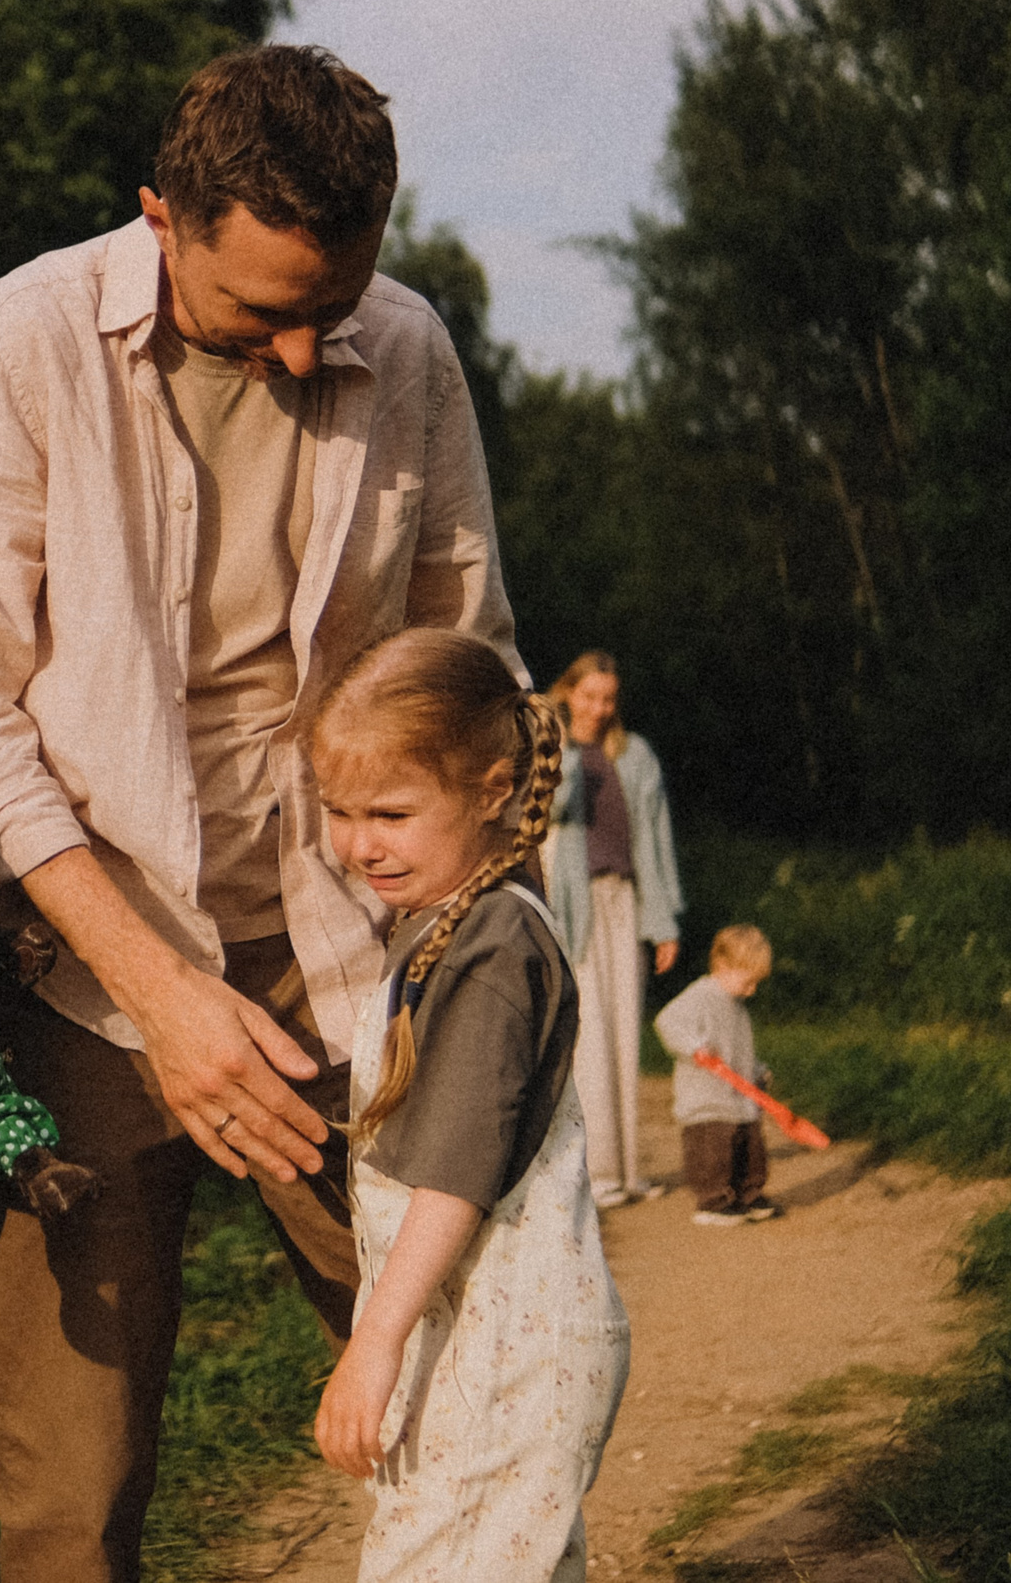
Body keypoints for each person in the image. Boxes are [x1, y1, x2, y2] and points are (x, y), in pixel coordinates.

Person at [0, 43, 524, 1580]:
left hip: (351, 954)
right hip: (91, 962)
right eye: (264, 313)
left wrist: (484, 947)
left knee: (461, 1385)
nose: (314, 353)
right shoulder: (21, 340)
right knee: (73, 1482)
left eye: (340, 304)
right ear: (160, 219)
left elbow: (477, 670)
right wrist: (158, 992)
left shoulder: (412, 348)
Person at [308, 627, 630, 1582]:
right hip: (475, 1344)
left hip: (507, 1357)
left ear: (491, 790)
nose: (360, 842)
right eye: (340, 811)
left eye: (392, 812)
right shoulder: (446, 920)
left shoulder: (493, 950)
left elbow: (454, 1175)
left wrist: (372, 1343)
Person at [544, 651, 685, 1207]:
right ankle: (596, 1175)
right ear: (570, 692)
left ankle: (629, 1174)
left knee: (625, 1031)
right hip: (572, 903)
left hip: (623, 899)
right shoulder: (550, 746)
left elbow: (656, 839)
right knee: (590, 1035)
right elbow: (552, 811)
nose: (600, 708)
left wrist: (664, 921)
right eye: (589, 696)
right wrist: (562, 747)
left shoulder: (635, 754)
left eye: (608, 698)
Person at [653, 924, 781, 1226]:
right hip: (706, 1099)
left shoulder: (736, 1007)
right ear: (723, 966)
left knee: (750, 1150)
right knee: (714, 1152)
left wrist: (757, 1070)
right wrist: (695, 1046)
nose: (752, 990)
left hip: (739, 1097)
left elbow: (739, 1049)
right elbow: (667, 1021)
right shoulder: (701, 996)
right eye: (748, 982)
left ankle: (748, 1194)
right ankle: (713, 1201)